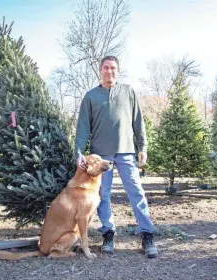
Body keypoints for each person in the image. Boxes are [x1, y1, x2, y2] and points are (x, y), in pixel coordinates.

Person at [74, 55, 158, 258]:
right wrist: (78, 152)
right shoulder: (91, 96)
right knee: (103, 195)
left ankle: (147, 234)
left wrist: (142, 146)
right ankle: (108, 233)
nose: (109, 71)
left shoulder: (128, 91)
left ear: (117, 71)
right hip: (100, 156)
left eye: (112, 68)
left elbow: (138, 121)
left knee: (136, 192)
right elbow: (83, 127)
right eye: (105, 67)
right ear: (100, 70)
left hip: (127, 151)